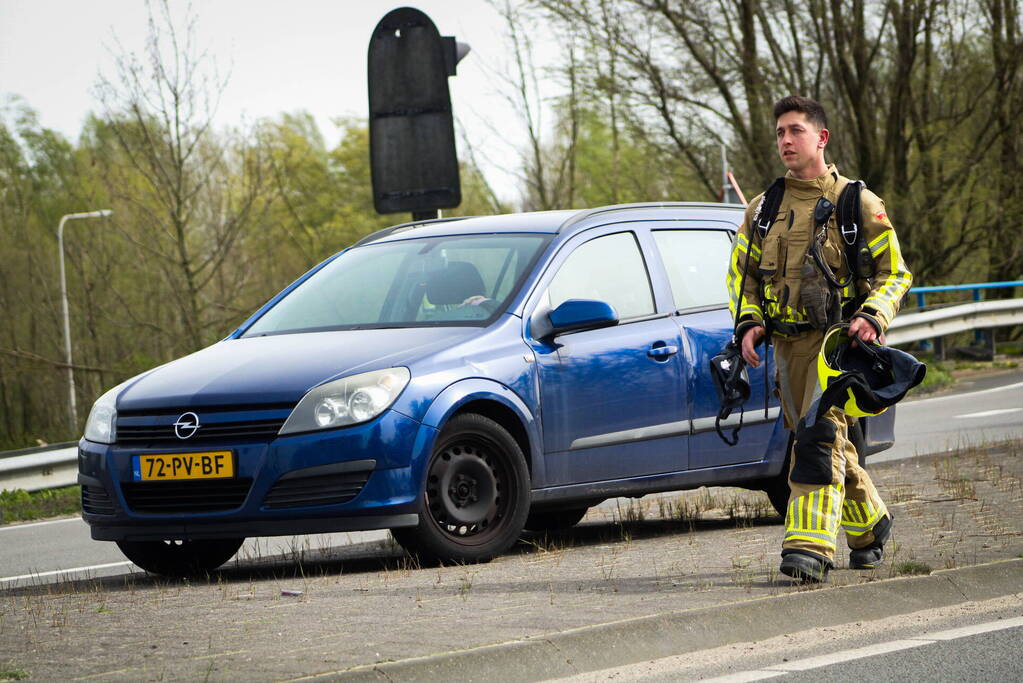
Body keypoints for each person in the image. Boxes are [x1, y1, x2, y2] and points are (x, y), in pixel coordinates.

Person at [726, 95, 913, 583]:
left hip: (837, 348)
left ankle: (807, 548)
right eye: (780, 133)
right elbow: (741, 279)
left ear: (821, 138)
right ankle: (871, 525)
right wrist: (749, 324)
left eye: (795, 131)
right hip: (786, 351)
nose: (786, 141)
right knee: (827, 442)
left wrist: (873, 314)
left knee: (815, 439)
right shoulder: (761, 210)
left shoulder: (858, 204)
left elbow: (896, 274)